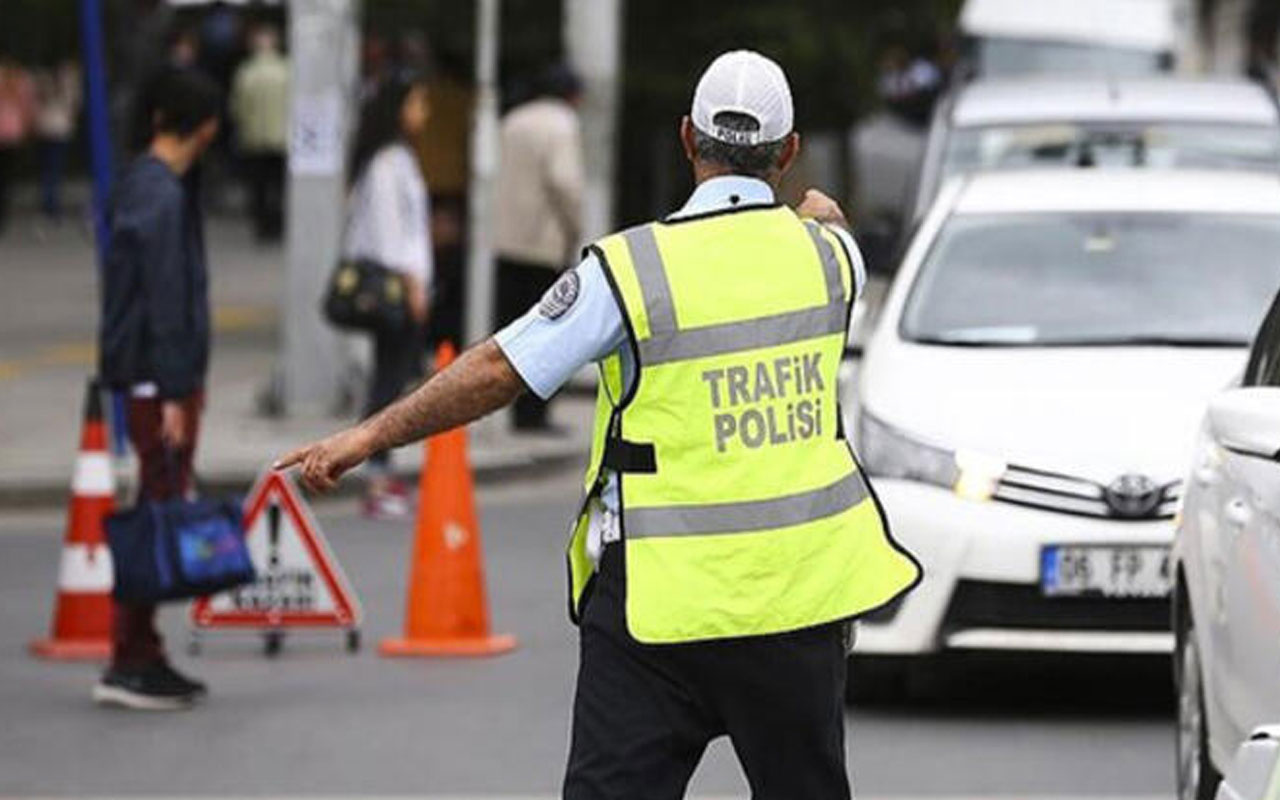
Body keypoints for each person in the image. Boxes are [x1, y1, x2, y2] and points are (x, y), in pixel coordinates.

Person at [278, 50, 922, 797]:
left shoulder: (630, 271)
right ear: (789, 152)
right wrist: (814, 212)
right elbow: (830, 220)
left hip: (657, 611)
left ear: (687, 139)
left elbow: (497, 370)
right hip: (795, 606)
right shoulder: (831, 263)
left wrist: (366, 437)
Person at [96, 68, 222, 710]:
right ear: (205, 127)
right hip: (157, 382)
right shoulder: (162, 195)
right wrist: (176, 393)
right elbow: (167, 302)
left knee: (155, 503)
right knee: (155, 511)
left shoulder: (141, 185)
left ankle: (141, 650)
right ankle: (131, 657)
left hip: (148, 376)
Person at [341, 74, 433, 518]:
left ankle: (381, 469)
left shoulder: (396, 158)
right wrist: (413, 284)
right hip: (395, 287)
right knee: (388, 381)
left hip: (404, 284)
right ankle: (376, 474)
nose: (424, 113)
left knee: (392, 376)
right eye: (417, 103)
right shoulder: (387, 163)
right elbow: (390, 233)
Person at [494, 63, 584, 432]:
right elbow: (564, 181)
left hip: (507, 238)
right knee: (547, 333)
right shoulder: (562, 124)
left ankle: (516, 410)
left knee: (513, 331)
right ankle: (536, 414)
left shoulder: (512, 121)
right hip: (543, 242)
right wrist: (574, 226)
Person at [230, 23, 288, 242]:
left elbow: (238, 107)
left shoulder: (246, 73)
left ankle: (263, 224)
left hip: (255, 137)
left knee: (259, 185)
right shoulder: (286, 70)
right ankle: (278, 222)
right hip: (282, 137)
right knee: (279, 184)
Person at [32, 56, 81, 225]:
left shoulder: (42, 80)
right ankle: (52, 204)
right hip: (59, 128)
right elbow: (74, 104)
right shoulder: (67, 79)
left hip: (45, 127)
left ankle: (48, 203)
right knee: (55, 168)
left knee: (47, 168)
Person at [0, 56, 35, 234]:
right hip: (12, 134)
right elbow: (27, 108)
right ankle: (3, 215)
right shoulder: (21, 81)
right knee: (6, 179)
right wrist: (27, 129)